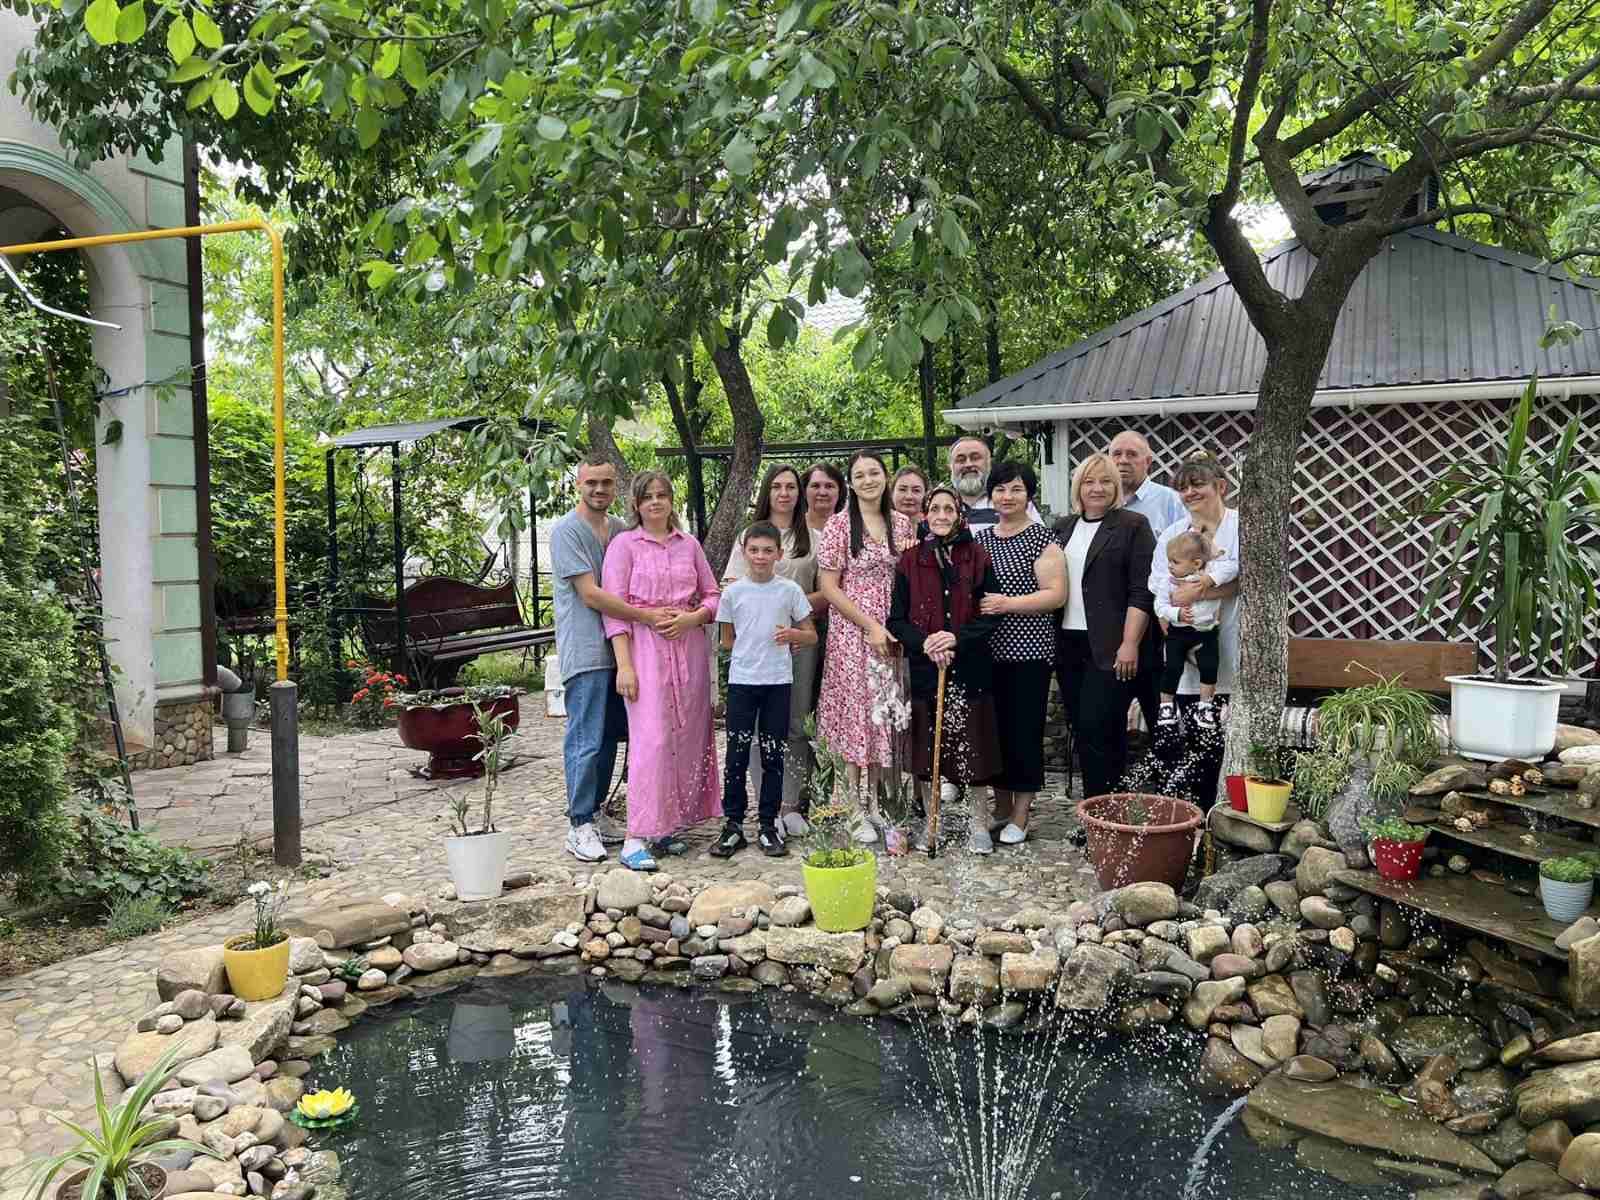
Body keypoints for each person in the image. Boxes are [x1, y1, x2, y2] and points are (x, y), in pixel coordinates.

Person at [602, 471, 722, 871]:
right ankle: (635, 835)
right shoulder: (624, 546)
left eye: (662, 495)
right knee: (650, 741)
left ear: (672, 500)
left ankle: (666, 826)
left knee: (684, 736)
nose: (655, 502)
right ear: (636, 504)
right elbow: (613, 609)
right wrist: (624, 665)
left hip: (688, 650)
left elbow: (713, 595)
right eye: (647, 496)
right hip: (645, 650)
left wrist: (693, 618)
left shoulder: (689, 545)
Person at [887, 486, 1003, 853]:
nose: (941, 515)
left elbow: (989, 615)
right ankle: (931, 821)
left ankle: (979, 824)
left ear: (958, 514)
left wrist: (954, 639)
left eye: (948, 509)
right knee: (926, 751)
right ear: (925, 515)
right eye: (934, 509)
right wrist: (927, 643)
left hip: (969, 666)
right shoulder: (909, 560)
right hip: (926, 668)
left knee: (975, 746)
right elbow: (896, 619)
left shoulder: (977, 556)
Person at [550, 454, 654, 863]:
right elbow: (591, 595)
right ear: (579, 484)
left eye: (606, 483)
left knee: (610, 736)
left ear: (615, 487)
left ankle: (595, 813)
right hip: (587, 651)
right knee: (586, 739)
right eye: (591, 482)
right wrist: (646, 616)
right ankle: (578, 823)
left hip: (620, 650)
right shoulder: (567, 532)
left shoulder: (620, 530)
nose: (599, 489)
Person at [816, 450, 917, 842]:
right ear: (851, 483)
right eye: (859, 475)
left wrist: (893, 627)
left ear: (885, 476)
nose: (868, 480)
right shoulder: (839, 525)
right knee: (855, 712)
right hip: (852, 629)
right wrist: (870, 625)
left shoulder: (901, 523)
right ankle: (852, 806)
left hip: (892, 629)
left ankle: (875, 802)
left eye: (874, 472)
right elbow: (828, 587)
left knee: (882, 714)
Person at [724, 465, 826, 836]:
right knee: (755, 730)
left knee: (796, 723)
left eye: (791, 486)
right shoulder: (748, 536)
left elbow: (827, 589)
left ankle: (791, 804)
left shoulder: (813, 537)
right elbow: (732, 588)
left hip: (798, 642)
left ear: (800, 493)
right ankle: (764, 805)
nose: (784, 493)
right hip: (756, 649)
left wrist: (794, 613)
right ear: (767, 491)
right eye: (777, 486)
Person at [1052, 452, 1158, 801]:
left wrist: (1130, 643)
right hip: (1068, 643)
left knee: (1103, 728)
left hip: (1112, 645)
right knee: (1083, 729)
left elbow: (1142, 590)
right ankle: (1095, 808)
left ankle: (1107, 809)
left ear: (1116, 487)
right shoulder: (1062, 528)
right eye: (1089, 481)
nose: (1097, 488)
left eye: (1105, 481)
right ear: (1078, 487)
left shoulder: (1133, 525)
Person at [710, 522, 818, 859]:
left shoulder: (789, 591)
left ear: (779, 554)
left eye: (767, 550)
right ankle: (733, 824)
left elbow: (811, 634)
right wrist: (751, 651)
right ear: (744, 553)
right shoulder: (733, 594)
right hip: (742, 683)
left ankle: (769, 824)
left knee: (774, 754)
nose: (760, 556)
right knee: (737, 754)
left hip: (777, 683)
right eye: (754, 550)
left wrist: (794, 636)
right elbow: (727, 640)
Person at [975, 461, 1066, 850]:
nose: (1007, 496)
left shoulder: (1041, 539)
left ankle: (1021, 814)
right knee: (993, 733)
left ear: (1029, 494)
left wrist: (1007, 604)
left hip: (1028, 653)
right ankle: (1001, 806)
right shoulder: (981, 540)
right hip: (987, 653)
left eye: (1015, 488)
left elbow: (1055, 595)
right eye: (1000, 489)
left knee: (1024, 733)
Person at [1149, 451, 1240, 807]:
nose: (1189, 493)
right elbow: (1160, 588)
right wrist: (1176, 632)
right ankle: (1185, 816)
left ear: (1221, 487)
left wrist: (1201, 589)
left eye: (1198, 485)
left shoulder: (1240, 527)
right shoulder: (1174, 535)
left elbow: (1249, 579)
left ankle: (1217, 815)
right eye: (1183, 487)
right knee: (1184, 743)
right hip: (1184, 650)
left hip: (1229, 647)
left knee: (1220, 746)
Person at [1156, 530, 1224, 732]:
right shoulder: (1168, 582)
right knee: (1172, 668)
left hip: (1206, 632)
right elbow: (1159, 606)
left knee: (1210, 667)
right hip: (1178, 633)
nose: (1170, 565)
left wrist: (1212, 552)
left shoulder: (1207, 576)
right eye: (1169, 561)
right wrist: (1176, 613)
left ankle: (1205, 706)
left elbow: (1225, 566)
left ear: (1196, 563)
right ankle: (1166, 706)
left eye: (1175, 562)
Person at [948, 436, 1040, 529]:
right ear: (950, 466)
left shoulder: (1015, 501)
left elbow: (1038, 535)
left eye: (975, 458)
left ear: (989, 463)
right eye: (960, 460)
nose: (968, 464)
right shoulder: (941, 502)